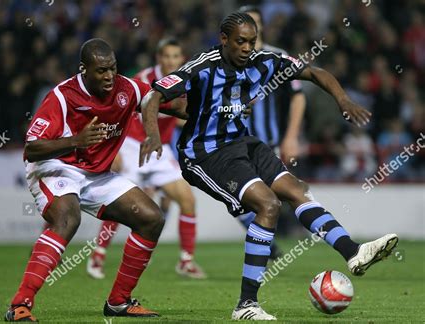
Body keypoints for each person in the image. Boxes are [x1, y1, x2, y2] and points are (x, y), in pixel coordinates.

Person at [139, 12, 399, 321]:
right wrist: (153, 136)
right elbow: (153, 96)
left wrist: (342, 101)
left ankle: (352, 252)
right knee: (268, 205)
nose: (248, 47)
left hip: (243, 143)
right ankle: (246, 304)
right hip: (204, 154)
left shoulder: (265, 61)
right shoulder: (202, 66)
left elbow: (316, 73)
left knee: (297, 190)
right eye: (240, 42)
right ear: (224, 40)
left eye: (251, 41)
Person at [4, 38, 186, 321]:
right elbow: (32, 147)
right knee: (67, 218)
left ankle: (118, 302)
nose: (109, 76)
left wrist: (220, 108)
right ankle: (19, 305)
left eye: (112, 68)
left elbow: (165, 103)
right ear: (84, 69)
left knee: (151, 217)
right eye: (101, 70)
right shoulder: (63, 96)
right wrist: (76, 141)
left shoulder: (127, 88)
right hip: (57, 167)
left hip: (96, 174)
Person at [87, 38, 207, 280]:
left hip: (159, 149)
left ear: (181, 59)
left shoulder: (186, 81)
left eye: (176, 57)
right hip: (132, 145)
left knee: (187, 199)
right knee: (119, 204)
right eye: (167, 56)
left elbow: (183, 114)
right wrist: (115, 149)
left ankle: (186, 262)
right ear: (158, 58)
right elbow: (115, 111)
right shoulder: (143, 79)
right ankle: (98, 256)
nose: (171, 61)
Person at [235, 6, 307, 254]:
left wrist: (291, 136)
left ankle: (312, 229)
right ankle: (269, 246)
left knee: (277, 197)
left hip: (268, 143)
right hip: (234, 143)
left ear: (261, 26)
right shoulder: (228, 59)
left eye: (254, 23)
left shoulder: (278, 56)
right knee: (236, 197)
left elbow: (298, 96)